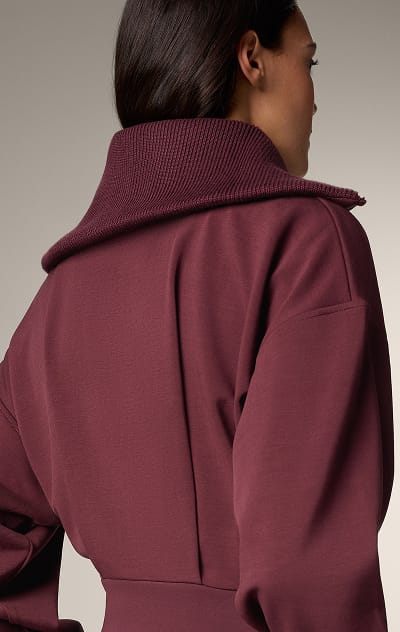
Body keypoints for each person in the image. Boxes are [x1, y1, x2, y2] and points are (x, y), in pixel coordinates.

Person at [0, 1, 394, 631]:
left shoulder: (56, 299)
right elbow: (307, 575)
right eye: (309, 62)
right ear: (252, 58)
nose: (316, 99)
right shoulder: (307, 243)